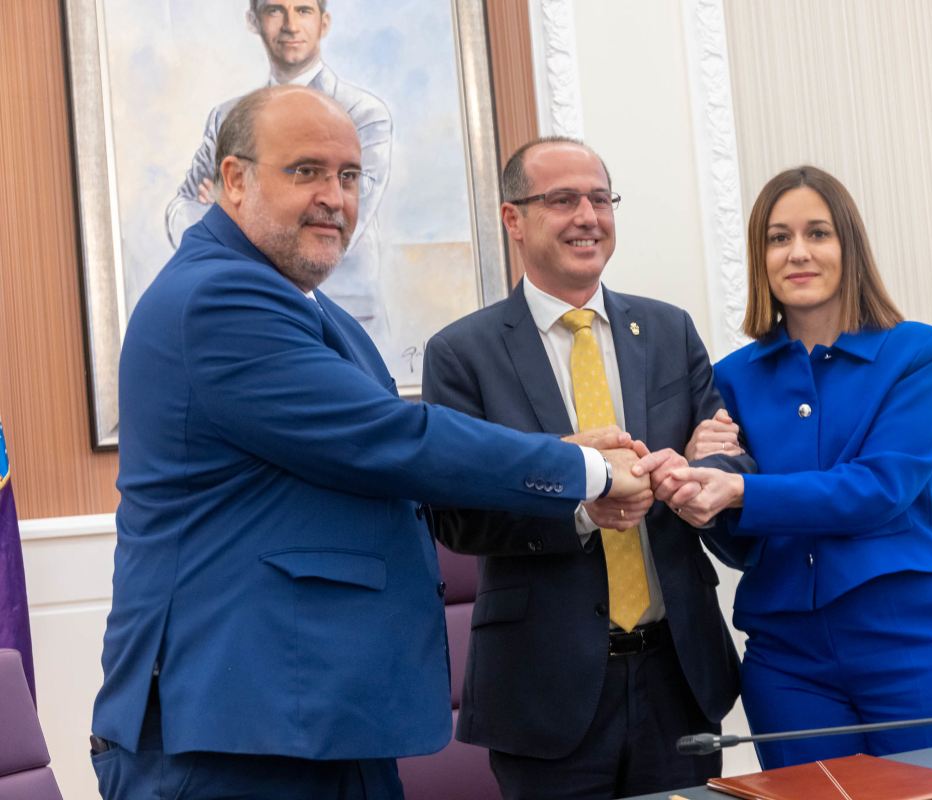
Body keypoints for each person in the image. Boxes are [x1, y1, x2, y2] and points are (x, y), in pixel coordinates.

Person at [91, 86, 658, 800]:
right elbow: (387, 439)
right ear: (233, 180)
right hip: (235, 726)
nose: (335, 197)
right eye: (306, 171)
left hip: (316, 715)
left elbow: (368, 450)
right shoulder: (219, 298)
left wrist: (562, 461)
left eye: (350, 176)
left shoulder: (307, 305)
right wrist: (583, 470)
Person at [421, 137, 751, 800]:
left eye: (600, 198)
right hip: (542, 688)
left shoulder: (667, 330)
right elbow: (455, 515)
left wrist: (697, 473)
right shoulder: (463, 354)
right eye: (563, 199)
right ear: (514, 219)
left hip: (678, 676)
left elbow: (725, 452)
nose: (587, 216)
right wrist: (578, 504)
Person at [666, 166, 932, 768]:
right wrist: (700, 488)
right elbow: (744, 546)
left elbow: (879, 489)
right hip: (787, 662)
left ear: (849, 246)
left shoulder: (916, 353)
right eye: (777, 238)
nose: (798, 253)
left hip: (915, 642)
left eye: (817, 233)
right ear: (759, 257)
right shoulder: (732, 378)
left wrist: (739, 488)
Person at [165, 0, 392, 345]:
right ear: (253, 21)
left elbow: (337, 226)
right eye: (274, 10)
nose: (289, 24)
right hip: (246, 321)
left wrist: (227, 213)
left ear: (325, 23)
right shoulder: (226, 117)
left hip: (347, 319)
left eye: (303, 10)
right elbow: (181, 207)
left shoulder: (364, 113)